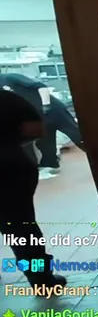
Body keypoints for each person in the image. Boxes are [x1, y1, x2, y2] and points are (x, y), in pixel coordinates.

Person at [0, 89, 65, 290]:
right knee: (21, 228)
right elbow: (36, 130)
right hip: (9, 168)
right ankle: (42, 280)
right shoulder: (7, 99)